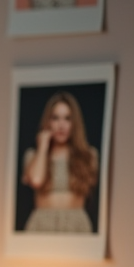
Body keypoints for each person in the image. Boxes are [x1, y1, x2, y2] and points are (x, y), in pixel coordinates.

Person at [21, 91, 99, 234]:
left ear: (74, 123)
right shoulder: (32, 155)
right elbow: (37, 180)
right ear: (48, 122)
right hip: (41, 224)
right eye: (55, 118)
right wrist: (43, 147)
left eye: (67, 119)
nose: (61, 125)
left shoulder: (88, 155)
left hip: (76, 224)